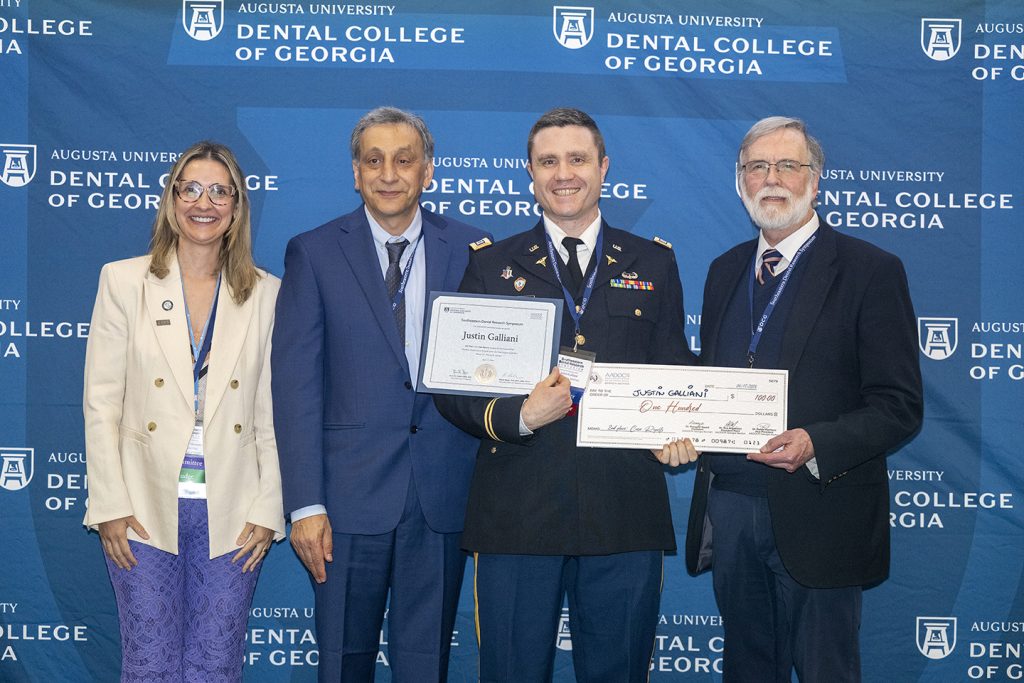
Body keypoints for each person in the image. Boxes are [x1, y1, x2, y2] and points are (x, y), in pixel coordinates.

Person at [434, 107, 698, 682]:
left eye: (577, 159)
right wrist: (520, 416)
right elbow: (453, 392)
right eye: (547, 161)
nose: (563, 174)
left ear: (604, 168)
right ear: (530, 174)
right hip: (517, 515)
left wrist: (683, 430)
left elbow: (675, 369)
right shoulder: (490, 265)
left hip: (623, 511)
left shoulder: (654, 261)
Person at [684, 116, 924, 682]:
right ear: (739, 181)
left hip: (823, 512)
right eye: (756, 167)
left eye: (788, 165)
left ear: (815, 181)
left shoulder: (871, 270)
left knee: (825, 672)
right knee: (746, 670)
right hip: (734, 509)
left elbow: (899, 404)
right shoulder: (724, 272)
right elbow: (712, 381)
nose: (772, 178)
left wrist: (817, 442)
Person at [271, 107, 488, 681]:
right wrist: (306, 504)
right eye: (374, 160)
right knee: (343, 661)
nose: (389, 174)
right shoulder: (313, 252)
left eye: (404, 159)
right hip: (343, 501)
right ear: (355, 172)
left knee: (426, 665)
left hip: (441, 495)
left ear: (428, 171)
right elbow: (296, 388)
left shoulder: (475, 251)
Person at [83, 141, 285, 681]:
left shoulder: (267, 294)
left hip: (234, 508)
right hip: (142, 507)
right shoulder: (123, 282)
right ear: (172, 200)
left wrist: (269, 508)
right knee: (149, 661)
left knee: (215, 664)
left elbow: (273, 411)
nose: (205, 202)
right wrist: (108, 503)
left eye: (221, 191)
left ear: (237, 209)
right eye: (191, 188)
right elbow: (102, 401)